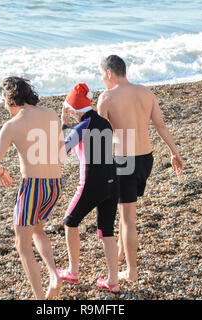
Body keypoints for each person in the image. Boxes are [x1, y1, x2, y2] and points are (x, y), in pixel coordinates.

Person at [96, 55, 184, 282]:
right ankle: (120, 254)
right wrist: (175, 152)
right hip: (146, 158)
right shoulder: (146, 93)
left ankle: (131, 272)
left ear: (109, 73)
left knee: (127, 219)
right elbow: (160, 125)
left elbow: (100, 137)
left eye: (102, 75)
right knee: (128, 212)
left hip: (124, 159)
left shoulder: (106, 97)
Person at [0, 76, 65, 300]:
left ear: (11, 98)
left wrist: (2, 173)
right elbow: (60, 152)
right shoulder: (50, 113)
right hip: (54, 185)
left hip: (33, 188)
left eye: (3, 100)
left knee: (22, 245)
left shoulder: (11, 126)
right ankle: (54, 275)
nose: (3, 105)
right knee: (38, 229)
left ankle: (40, 299)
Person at [58, 83, 120, 295]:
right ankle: (113, 281)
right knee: (106, 230)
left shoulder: (81, 127)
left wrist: (63, 125)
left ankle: (72, 271)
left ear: (73, 109)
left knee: (70, 221)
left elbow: (61, 151)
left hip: (91, 183)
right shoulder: (104, 122)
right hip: (113, 180)